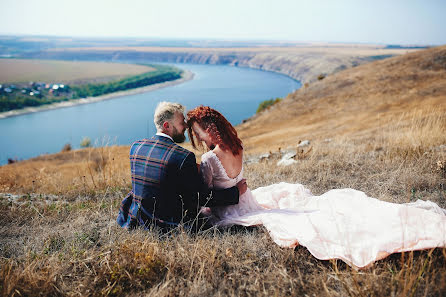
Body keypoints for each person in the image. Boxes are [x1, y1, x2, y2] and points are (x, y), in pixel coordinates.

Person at [187, 105, 446, 269]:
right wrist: (239, 190)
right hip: (249, 201)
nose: (197, 137)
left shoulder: (210, 159)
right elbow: (233, 184)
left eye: (198, 132)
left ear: (209, 130)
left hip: (233, 210)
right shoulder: (237, 147)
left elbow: (208, 198)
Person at [117, 102, 247, 232]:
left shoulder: (136, 147)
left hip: (136, 219)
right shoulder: (182, 157)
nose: (185, 125)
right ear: (167, 125)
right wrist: (236, 192)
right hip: (167, 226)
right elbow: (200, 198)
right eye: (181, 122)